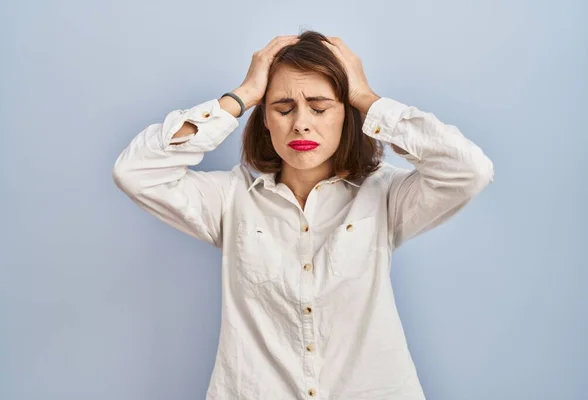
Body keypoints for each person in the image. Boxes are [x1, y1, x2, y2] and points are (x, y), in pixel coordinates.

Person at [113, 30, 494, 400]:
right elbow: (135, 171)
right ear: (265, 118)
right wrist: (242, 96)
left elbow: (469, 171)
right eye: (282, 108)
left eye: (320, 106)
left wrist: (365, 97)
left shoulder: (385, 195)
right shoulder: (229, 198)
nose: (301, 123)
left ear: (347, 114)